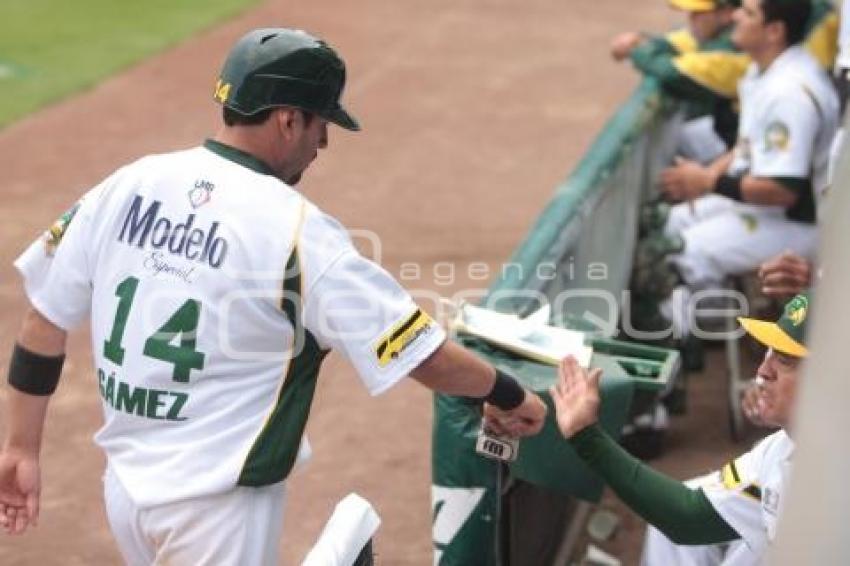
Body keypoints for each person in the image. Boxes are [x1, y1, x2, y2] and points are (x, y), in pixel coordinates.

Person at [0, 28, 547, 564]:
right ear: (288, 119)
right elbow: (417, 353)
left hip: (123, 488)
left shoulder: (129, 184)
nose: (323, 143)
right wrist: (507, 391)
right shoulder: (297, 230)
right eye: (321, 124)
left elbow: (42, 323)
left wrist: (21, 447)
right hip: (218, 508)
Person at [537, 290, 814, 564]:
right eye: (769, 354)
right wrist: (586, 436)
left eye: (786, 360)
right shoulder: (780, 449)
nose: (763, 372)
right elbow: (689, 517)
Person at [657, 0, 838, 336]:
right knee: (670, 223)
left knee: (685, 252)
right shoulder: (767, 69)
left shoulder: (790, 94)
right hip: (768, 209)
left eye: (750, 12)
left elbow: (782, 191)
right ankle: (709, 314)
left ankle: (695, 340)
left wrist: (708, 182)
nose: (737, 15)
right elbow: (749, 145)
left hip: (802, 225)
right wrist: (707, 175)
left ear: (774, 31)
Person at [612, 0, 746, 161]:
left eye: (698, 13)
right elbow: (676, 43)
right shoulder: (722, 36)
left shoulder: (734, 56)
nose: (691, 18)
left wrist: (636, 51)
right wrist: (639, 40)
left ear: (726, 14)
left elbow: (669, 70)